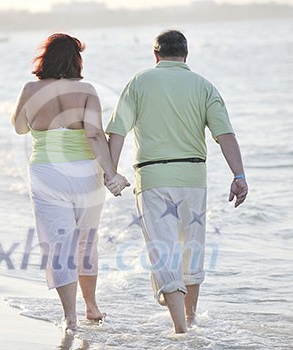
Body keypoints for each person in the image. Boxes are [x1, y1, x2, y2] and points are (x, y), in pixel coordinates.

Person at [106, 30, 248, 334]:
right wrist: (239, 175)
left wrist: (111, 172)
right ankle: (191, 320)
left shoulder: (139, 82)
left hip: (153, 178)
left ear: (155, 55)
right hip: (194, 178)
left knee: (163, 252)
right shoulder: (203, 85)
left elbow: (117, 131)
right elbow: (225, 136)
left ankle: (181, 329)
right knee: (191, 250)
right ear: (186, 55)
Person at [11, 33, 129, 332]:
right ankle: (92, 306)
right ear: (76, 60)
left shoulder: (30, 89)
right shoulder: (87, 90)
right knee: (86, 242)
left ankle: (70, 316)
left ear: (45, 58)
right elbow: (93, 136)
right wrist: (110, 173)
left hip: (46, 173)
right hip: (84, 175)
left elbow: (19, 128)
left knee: (59, 245)